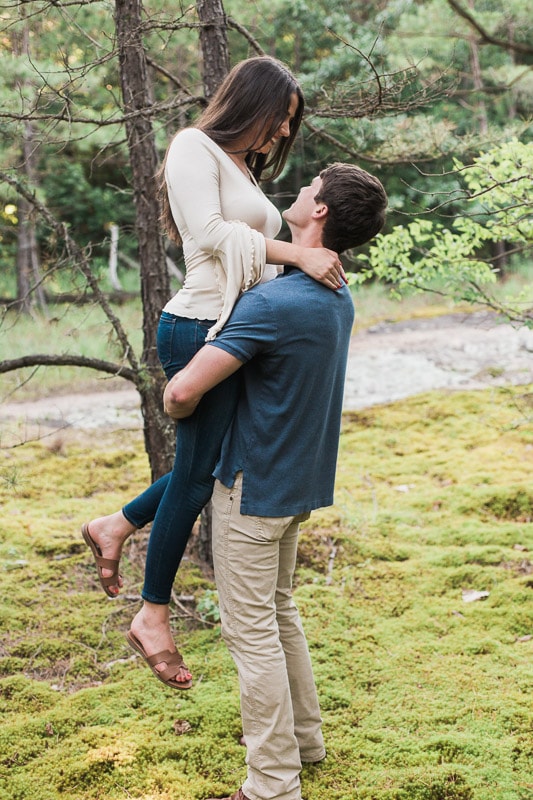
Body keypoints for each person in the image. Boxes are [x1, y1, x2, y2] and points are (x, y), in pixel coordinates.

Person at [81, 55, 345, 690]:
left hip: (225, 332)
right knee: (199, 476)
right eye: (281, 118)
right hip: (195, 326)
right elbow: (208, 231)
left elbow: (257, 258)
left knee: (205, 463)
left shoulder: (242, 170)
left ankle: (115, 526)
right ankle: (151, 613)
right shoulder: (192, 146)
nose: (284, 133)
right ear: (251, 103)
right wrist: (300, 258)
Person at [162, 162, 388, 800]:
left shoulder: (272, 301)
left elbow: (184, 390)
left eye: (312, 185)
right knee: (279, 611)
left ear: (319, 213)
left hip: (254, 486)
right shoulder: (334, 294)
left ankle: (270, 783)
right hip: (298, 483)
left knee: (249, 628)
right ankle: (306, 744)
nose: (302, 188)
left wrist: (175, 403)